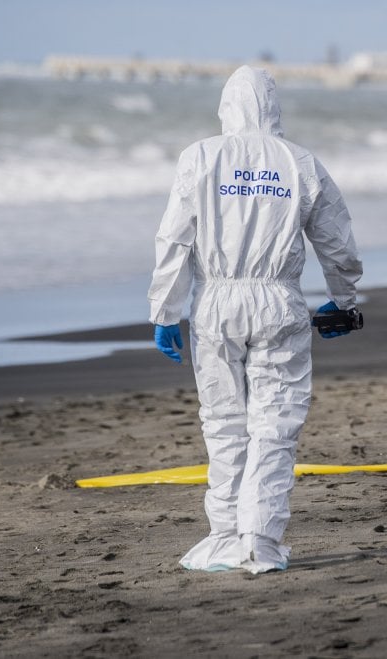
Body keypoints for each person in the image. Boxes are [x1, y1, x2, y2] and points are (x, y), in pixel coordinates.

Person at [148, 66, 362, 574]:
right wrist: (345, 301)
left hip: (216, 305)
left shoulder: (200, 157)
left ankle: (224, 536)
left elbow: (175, 238)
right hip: (279, 303)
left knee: (222, 422)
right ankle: (260, 540)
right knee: (275, 423)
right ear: (273, 109)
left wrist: (165, 311)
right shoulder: (298, 162)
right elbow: (336, 241)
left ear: (227, 108)